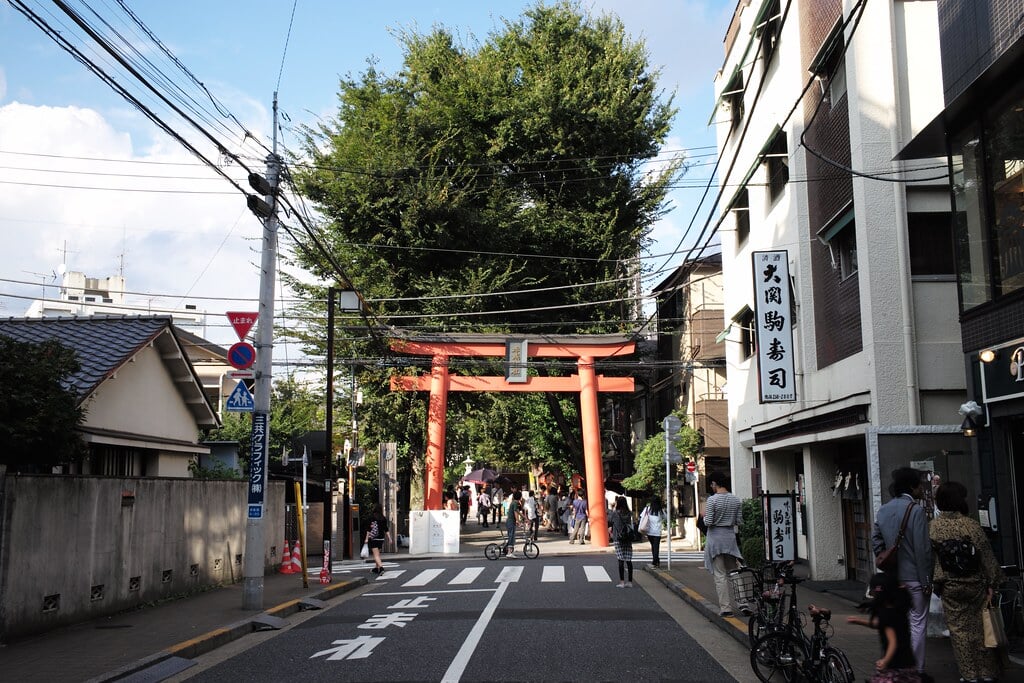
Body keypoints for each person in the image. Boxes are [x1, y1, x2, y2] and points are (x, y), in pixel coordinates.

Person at [930, 482, 1003, 683]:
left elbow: (930, 557)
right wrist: (993, 582)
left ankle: (969, 673)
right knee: (981, 627)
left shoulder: (934, 526)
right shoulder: (970, 525)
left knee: (959, 630)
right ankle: (986, 671)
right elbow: (986, 555)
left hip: (950, 584)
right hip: (975, 583)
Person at [872, 466, 931, 674]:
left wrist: (885, 558)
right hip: (914, 577)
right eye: (920, 485)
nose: (922, 489)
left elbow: (876, 541)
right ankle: (915, 669)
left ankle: (896, 665)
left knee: (898, 623)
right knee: (917, 623)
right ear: (912, 487)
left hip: (892, 579)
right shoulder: (915, 511)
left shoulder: (884, 510)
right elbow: (922, 550)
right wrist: (926, 581)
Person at [847, 571, 922, 680]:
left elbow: (893, 642)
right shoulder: (898, 611)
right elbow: (881, 625)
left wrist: (885, 660)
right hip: (908, 664)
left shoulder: (886, 614)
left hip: (894, 666)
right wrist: (859, 621)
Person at [703, 471, 747, 616]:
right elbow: (740, 521)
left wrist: (704, 518)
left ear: (715, 483)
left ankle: (726, 608)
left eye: (712, 484)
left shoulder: (712, 500)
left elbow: (708, 522)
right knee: (735, 572)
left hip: (715, 539)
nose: (711, 487)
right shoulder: (736, 499)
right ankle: (743, 603)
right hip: (730, 538)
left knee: (720, 575)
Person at [609, 495, 635, 587]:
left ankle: (622, 582)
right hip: (628, 538)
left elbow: (610, 521)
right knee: (628, 560)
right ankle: (630, 582)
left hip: (618, 538)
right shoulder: (629, 513)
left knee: (620, 560)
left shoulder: (615, 513)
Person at [364, 504, 391, 576]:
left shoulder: (371, 518)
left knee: (376, 555)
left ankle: (381, 568)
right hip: (381, 538)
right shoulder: (383, 518)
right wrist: (389, 538)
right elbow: (386, 529)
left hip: (374, 538)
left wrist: (366, 538)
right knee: (378, 554)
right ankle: (376, 568)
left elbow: (368, 529)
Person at [639, 496, 665, 567]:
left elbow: (642, 517)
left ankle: (655, 560)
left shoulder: (647, 509)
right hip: (657, 532)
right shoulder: (660, 510)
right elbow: (665, 517)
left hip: (649, 531)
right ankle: (656, 560)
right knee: (656, 546)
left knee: (653, 546)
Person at [505, 490, 523, 556]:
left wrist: (525, 518)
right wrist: (518, 521)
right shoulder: (515, 503)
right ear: (520, 497)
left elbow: (518, 512)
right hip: (511, 522)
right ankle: (509, 552)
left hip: (510, 522)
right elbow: (516, 513)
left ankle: (508, 550)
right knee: (511, 536)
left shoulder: (514, 502)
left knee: (512, 536)